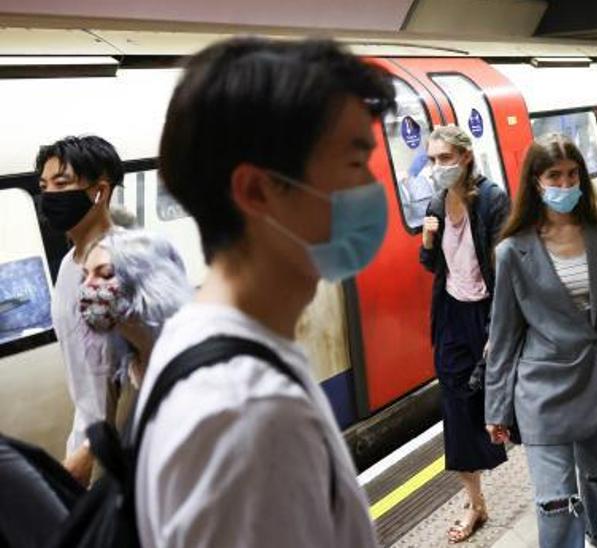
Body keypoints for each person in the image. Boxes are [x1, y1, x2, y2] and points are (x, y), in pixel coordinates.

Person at [136, 37, 393, 547]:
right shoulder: (249, 416)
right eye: (354, 163)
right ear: (257, 190)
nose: (372, 187)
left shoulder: (209, 341)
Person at [486, 134, 597, 548]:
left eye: (572, 174)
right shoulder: (512, 252)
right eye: (554, 176)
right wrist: (497, 407)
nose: (565, 184)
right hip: (543, 388)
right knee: (556, 504)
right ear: (535, 182)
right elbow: (503, 334)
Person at [417, 125, 510, 543]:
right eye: (433, 160)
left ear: (465, 157)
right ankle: (475, 504)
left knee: (506, 405)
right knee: (456, 410)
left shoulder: (492, 200)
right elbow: (433, 265)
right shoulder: (437, 201)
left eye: (444, 159)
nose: (438, 168)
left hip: (489, 314)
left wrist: (499, 329)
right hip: (453, 316)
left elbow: (506, 271)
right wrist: (428, 240)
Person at [35, 135, 123, 485]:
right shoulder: (69, 266)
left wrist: (91, 451)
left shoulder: (122, 265)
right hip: (89, 433)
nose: (49, 196)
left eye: (62, 183)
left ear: (99, 192)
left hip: (119, 446)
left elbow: (126, 374)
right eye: (43, 186)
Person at [76, 228, 191, 431]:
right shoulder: (128, 362)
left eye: (105, 274)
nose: (87, 286)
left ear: (148, 283)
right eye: (85, 276)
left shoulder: (190, 356)